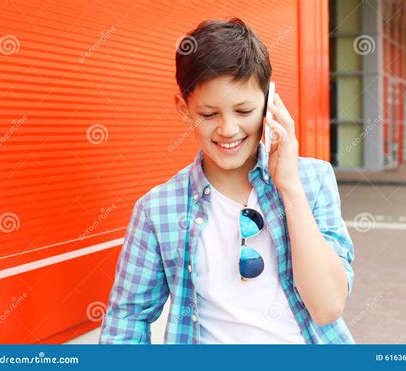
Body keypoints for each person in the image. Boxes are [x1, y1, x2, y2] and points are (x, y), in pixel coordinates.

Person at [99, 17, 355, 344]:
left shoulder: (313, 180)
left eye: (244, 110)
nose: (228, 129)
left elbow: (327, 307)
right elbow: (127, 318)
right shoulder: (157, 210)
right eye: (209, 114)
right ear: (184, 107)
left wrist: (289, 187)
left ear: (269, 101)